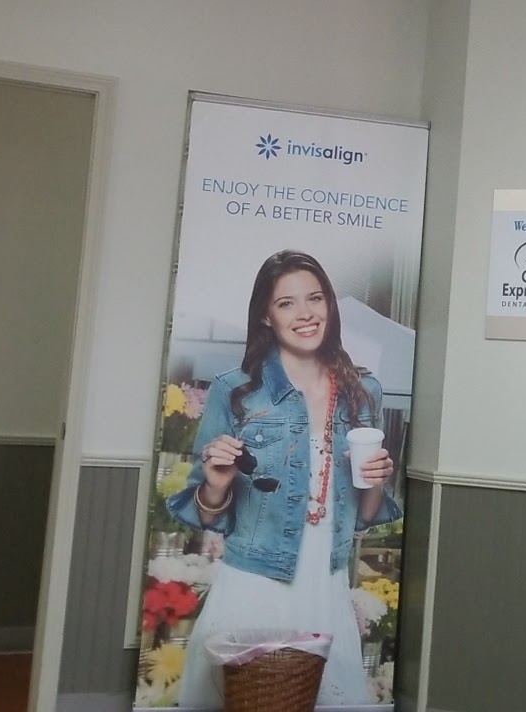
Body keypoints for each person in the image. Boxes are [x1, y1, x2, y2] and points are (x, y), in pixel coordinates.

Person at [168, 250, 399, 707]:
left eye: (315, 298)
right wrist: (217, 483)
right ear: (266, 316)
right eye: (286, 303)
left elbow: (364, 517)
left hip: (326, 584)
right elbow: (207, 515)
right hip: (254, 582)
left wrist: (375, 479)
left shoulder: (362, 391)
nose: (305, 313)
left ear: (329, 305)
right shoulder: (235, 390)